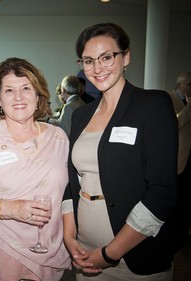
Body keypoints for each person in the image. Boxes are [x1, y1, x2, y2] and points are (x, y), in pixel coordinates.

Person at [62, 22, 178, 281]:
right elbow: (71, 183)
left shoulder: (152, 106)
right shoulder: (81, 115)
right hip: (85, 250)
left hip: (134, 255)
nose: (97, 68)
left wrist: (109, 254)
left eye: (107, 57)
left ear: (126, 57)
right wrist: (69, 237)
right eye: (88, 60)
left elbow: (162, 191)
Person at [0, 57, 71, 281]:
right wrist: (12, 209)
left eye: (26, 88)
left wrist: (72, 238)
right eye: (9, 90)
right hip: (0, 250)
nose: (18, 97)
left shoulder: (58, 138)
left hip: (49, 251)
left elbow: (68, 196)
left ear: (38, 94)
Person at [169, 72, 191, 250]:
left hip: (190, 158)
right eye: (189, 84)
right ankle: (173, 238)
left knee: (187, 202)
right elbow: (174, 124)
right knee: (176, 202)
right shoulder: (168, 100)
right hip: (178, 160)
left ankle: (184, 237)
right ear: (179, 85)